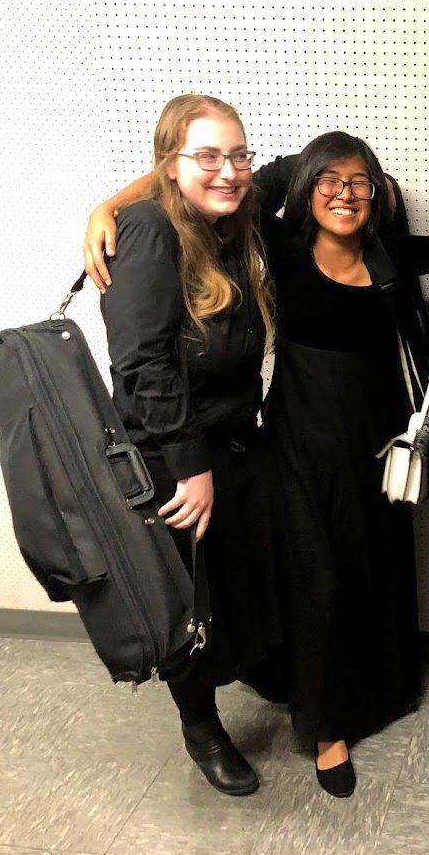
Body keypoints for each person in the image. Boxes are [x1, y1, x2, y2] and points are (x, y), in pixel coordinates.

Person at [86, 132, 429, 799]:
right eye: (328, 180)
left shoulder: (390, 256)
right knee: (319, 579)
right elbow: (238, 178)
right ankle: (325, 723)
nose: (344, 192)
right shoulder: (279, 248)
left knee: (377, 563)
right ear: (308, 190)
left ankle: (383, 687)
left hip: (380, 440)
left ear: (377, 192)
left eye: (358, 182)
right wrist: (112, 202)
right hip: (300, 440)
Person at [98, 93, 284, 796]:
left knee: (239, 575)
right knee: (187, 599)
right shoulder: (148, 229)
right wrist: (190, 466)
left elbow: (291, 170)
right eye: (207, 156)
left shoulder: (228, 219)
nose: (229, 171)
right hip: (175, 459)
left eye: (238, 154)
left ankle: (258, 669)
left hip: (232, 442)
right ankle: (200, 726)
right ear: (169, 166)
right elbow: (140, 364)